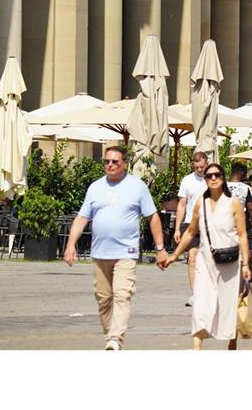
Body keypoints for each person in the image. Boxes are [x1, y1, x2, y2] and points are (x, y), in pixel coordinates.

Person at [63, 145, 167, 350]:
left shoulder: (137, 186)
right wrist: (70, 244)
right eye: (107, 161)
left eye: (115, 161)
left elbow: (153, 217)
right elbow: (82, 217)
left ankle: (115, 338)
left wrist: (160, 248)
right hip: (100, 252)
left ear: (124, 164)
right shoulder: (95, 187)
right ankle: (111, 334)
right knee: (103, 299)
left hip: (126, 252)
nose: (110, 165)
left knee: (122, 294)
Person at [160, 162, 251, 350]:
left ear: (223, 177)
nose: (213, 178)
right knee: (201, 300)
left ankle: (231, 341)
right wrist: (174, 254)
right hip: (205, 260)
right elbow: (191, 231)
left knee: (227, 303)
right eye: (209, 176)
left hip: (230, 260)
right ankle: (197, 345)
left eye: (217, 175)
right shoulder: (201, 202)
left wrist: (246, 264)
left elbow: (242, 234)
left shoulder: (233, 202)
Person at [174, 151, 209, 307]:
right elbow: (182, 205)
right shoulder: (187, 180)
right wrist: (177, 228)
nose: (200, 170)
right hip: (190, 223)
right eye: (196, 168)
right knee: (193, 257)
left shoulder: (213, 179)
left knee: (210, 259)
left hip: (210, 223)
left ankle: (209, 292)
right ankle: (195, 293)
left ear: (206, 164)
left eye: (202, 167)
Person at [225, 161, 252, 279]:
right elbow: (250, 208)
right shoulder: (245, 188)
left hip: (227, 224)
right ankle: (244, 268)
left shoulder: (223, 186)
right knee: (248, 249)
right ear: (242, 173)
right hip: (243, 224)